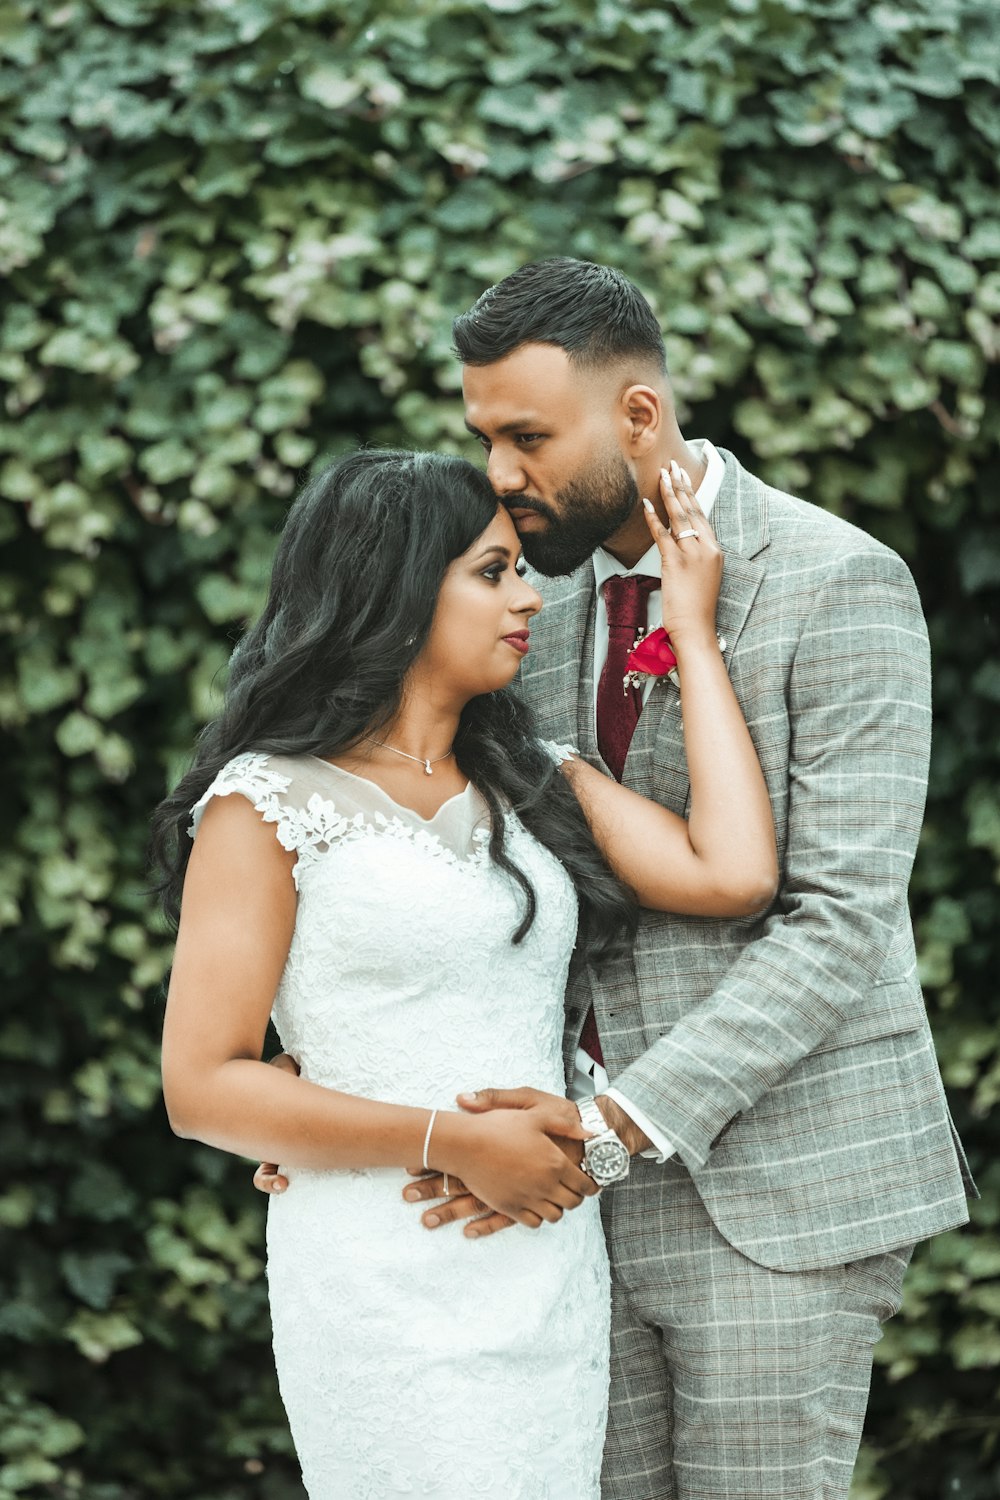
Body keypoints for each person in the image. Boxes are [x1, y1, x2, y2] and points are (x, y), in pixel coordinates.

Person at [259, 259, 975, 1499]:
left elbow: (837, 926)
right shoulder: (511, 597)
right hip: (557, 1207)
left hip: (775, 1188)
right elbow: (444, 847)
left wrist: (613, 1129)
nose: (496, 474)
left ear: (637, 416)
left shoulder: (838, 582)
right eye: (483, 436)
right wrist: (329, 1078)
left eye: (526, 436)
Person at [154, 446, 777, 1500]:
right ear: (394, 591)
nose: (528, 595)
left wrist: (691, 631)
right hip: (381, 1269)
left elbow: (734, 873)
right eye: (491, 573)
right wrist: (452, 1142)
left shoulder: (532, 778)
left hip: (543, 1262)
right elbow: (202, 1086)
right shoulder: (266, 803)